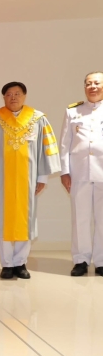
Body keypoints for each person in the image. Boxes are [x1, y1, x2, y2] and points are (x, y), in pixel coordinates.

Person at [0, 82, 61, 279]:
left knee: (26, 219)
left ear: (24, 96)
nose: (13, 97)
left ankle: (21, 263)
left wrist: (42, 177)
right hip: (2, 179)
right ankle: (7, 264)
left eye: (17, 93)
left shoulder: (38, 119)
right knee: (4, 220)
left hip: (29, 179)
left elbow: (46, 149)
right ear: (4, 97)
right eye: (9, 94)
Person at [60, 72, 103, 277]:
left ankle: (101, 261)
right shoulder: (73, 111)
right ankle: (81, 260)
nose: (92, 86)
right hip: (79, 172)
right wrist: (65, 171)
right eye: (89, 83)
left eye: (97, 83)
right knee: (80, 218)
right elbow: (64, 144)